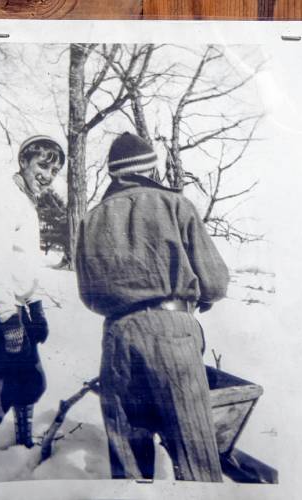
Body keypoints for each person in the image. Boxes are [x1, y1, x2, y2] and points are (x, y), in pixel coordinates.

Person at [75, 132, 229, 481]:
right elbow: (215, 281)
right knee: (194, 448)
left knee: (129, 451)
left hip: (118, 336)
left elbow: (89, 294)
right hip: (173, 331)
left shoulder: (91, 219)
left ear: (115, 174)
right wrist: (199, 297)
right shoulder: (176, 205)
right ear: (151, 170)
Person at [0, 135, 65, 447]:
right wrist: (8, 318)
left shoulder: (25, 203)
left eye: (54, 171)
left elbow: (22, 264)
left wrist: (36, 304)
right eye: (43, 165)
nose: (48, 175)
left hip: (17, 304)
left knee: (29, 381)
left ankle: (19, 445)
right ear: (24, 162)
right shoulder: (5, 199)